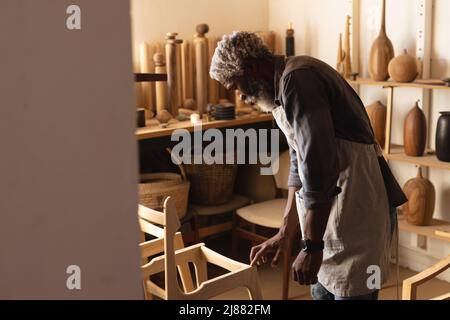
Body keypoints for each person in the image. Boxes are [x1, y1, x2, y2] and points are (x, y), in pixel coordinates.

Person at [210, 31, 407, 300]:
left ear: (251, 68)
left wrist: (312, 248)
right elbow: (299, 161)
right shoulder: (283, 89)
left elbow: (319, 167)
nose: (242, 97)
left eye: (236, 86)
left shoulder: (297, 79)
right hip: (326, 217)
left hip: (358, 208)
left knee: (354, 290)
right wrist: (285, 232)